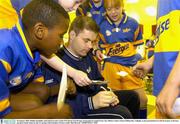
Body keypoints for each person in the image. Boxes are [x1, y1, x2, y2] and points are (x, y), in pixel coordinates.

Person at [42, 16, 140, 119]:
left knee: (132, 97)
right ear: (72, 35)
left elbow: (99, 80)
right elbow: (54, 104)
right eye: (86, 40)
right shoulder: (54, 61)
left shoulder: (88, 55)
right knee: (122, 114)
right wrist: (91, 102)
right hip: (76, 110)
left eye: (92, 42)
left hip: (92, 100)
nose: (90, 46)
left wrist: (107, 93)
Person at [0, 0, 73, 118]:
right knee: (34, 106)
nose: (61, 43)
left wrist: (60, 89)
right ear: (40, 31)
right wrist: (46, 114)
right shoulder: (3, 51)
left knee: (41, 91)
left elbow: (33, 88)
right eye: (61, 36)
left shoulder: (34, 49)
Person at [0, 0, 92, 87]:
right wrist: (73, 73)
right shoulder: (36, 5)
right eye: (76, 2)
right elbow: (35, 41)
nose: (75, 8)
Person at [96, 0, 147, 115]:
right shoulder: (102, 26)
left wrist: (138, 59)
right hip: (111, 68)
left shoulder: (133, 23)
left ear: (122, 7)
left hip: (130, 68)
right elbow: (98, 47)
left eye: (117, 8)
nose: (113, 12)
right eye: (109, 9)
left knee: (143, 100)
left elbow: (140, 46)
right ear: (105, 10)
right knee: (115, 103)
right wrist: (98, 50)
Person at [133, 0, 180, 119]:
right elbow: (168, 40)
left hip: (173, 90)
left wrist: (174, 83)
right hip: (164, 90)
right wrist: (151, 62)